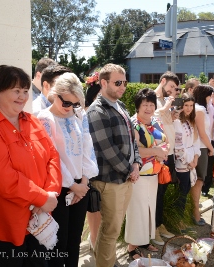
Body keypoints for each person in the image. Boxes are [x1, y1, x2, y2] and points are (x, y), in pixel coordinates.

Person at [0, 65, 62, 267]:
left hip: (37, 219)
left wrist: (51, 192)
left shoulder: (33, 122)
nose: (22, 96)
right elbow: (3, 177)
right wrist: (42, 197)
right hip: (4, 224)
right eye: (16, 91)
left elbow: (53, 156)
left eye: (25, 91)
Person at [38, 72, 98, 267]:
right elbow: (50, 156)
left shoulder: (80, 114)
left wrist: (84, 181)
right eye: (66, 103)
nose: (70, 108)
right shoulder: (43, 119)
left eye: (75, 103)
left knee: (74, 241)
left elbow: (87, 147)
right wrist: (72, 185)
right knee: (58, 242)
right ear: (55, 95)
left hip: (82, 186)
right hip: (59, 188)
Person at [87, 63, 142, 267]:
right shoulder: (96, 111)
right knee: (110, 232)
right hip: (110, 181)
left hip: (125, 178)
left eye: (125, 82)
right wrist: (130, 170)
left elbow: (132, 140)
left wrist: (136, 164)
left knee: (112, 230)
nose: (123, 87)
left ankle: (107, 262)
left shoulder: (121, 106)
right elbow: (106, 149)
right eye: (118, 82)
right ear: (103, 83)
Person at [125, 88, 168, 260]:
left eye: (151, 104)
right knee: (137, 210)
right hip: (139, 176)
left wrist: (163, 151)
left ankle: (143, 241)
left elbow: (166, 141)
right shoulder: (134, 124)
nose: (149, 108)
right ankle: (131, 247)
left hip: (154, 174)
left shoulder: (156, 121)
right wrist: (156, 150)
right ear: (138, 106)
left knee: (150, 210)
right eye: (145, 105)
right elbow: (134, 150)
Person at [152, 71, 179, 245]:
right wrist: (165, 108)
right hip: (157, 154)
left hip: (168, 152)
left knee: (162, 192)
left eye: (175, 89)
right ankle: (153, 230)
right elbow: (152, 118)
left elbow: (165, 122)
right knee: (155, 194)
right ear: (162, 82)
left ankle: (160, 225)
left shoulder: (164, 101)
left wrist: (173, 115)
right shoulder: (151, 98)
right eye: (170, 87)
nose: (172, 91)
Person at [191, 85, 214, 226]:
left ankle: (194, 211)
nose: (211, 98)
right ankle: (195, 213)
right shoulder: (199, 109)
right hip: (200, 147)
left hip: (202, 147)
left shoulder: (202, 109)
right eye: (210, 95)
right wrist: (211, 148)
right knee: (199, 181)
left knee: (199, 181)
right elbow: (202, 132)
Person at [173, 93, 200, 216]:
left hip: (191, 160)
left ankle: (181, 219)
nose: (189, 108)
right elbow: (178, 146)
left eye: (191, 105)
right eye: (186, 105)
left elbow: (195, 141)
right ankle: (178, 221)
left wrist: (195, 159)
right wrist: (189, 161)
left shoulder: (190, 121)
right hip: (182, 162)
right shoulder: (177, 122)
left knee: (186, 190)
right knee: (181, 193)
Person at [84, 71, 102, 251]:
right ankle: (94, 241)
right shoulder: (85, 112)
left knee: (101, 209)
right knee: (94, 207)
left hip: (102, 166)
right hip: (90, 166)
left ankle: (96, 240)